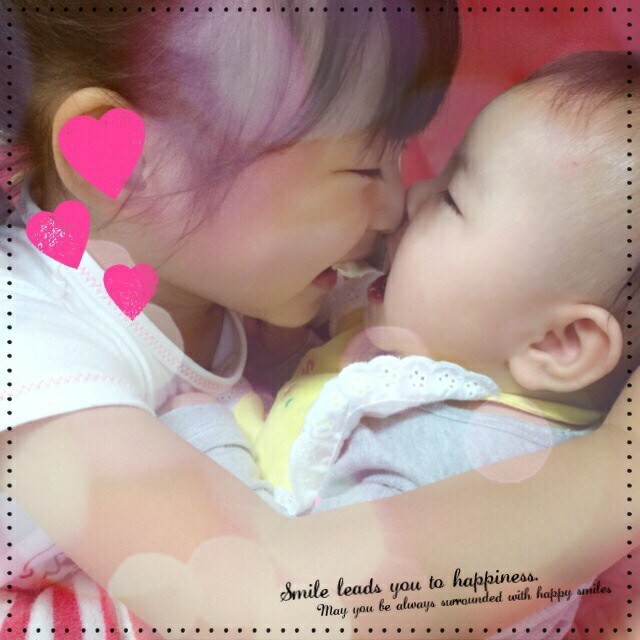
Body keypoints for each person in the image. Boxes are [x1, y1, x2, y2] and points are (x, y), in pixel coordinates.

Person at [0, 1, 634, 636]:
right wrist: (614, 473)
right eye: (364, 166)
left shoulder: (246, 285)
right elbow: (273, 605)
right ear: (136, 162)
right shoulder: (28, 349)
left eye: (400, 153)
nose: (393, 207)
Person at [158, 51, 636, 639]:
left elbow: (290, 595)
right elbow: (326, 426)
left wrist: (204, 433)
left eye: (453, 199)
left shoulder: (469, 472)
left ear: (558, 344)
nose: (412, 196)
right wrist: (288, 354)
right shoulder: (447, 354)